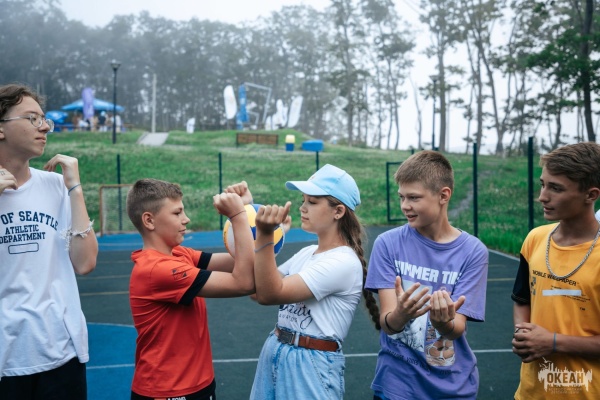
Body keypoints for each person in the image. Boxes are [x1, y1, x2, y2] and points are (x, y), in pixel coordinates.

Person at [365, 150, 489, 400]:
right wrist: (402, 313)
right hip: (396, 386)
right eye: (401, 197)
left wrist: (442, 322)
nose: (405, 206)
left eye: (413, 197)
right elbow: (388, 324)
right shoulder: (387, 244)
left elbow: (456, 328)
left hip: (453, 388)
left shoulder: (473, 252)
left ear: (443, 195)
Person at [0, 84, 98, 398]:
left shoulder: (57, 186)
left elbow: (85, 263)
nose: (44, 127)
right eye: (32, 119)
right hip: (6, 361)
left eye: (45, 120)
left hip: (61, 352)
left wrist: (74, 188)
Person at [249, 164, 380, 400]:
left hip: (310, 363)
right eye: (303, 200)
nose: (302, 207)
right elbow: (257, 289)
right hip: (276, 348)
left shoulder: (343, 262)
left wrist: (266, 235)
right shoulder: (307, 253)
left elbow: (269, 294)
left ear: (338, 211)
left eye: (312, 201)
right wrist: (247, 216)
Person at [126, 178, 256, 400]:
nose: (186, 219)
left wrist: (247, 210)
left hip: (199, 384)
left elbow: (244, 260)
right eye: (177, 213)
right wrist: (237, 216)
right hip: (167, 391)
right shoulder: (157, 269)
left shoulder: (179, 254)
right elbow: (243, 282)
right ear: (149, 220)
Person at [511, 142, 600, 399]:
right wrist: (523, 333)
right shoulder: (535, 239)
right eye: (543, 184)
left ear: (591, 195)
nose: (543, 196)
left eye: (556, 188)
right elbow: (522, 299)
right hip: (531, 393)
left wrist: (552, 342)